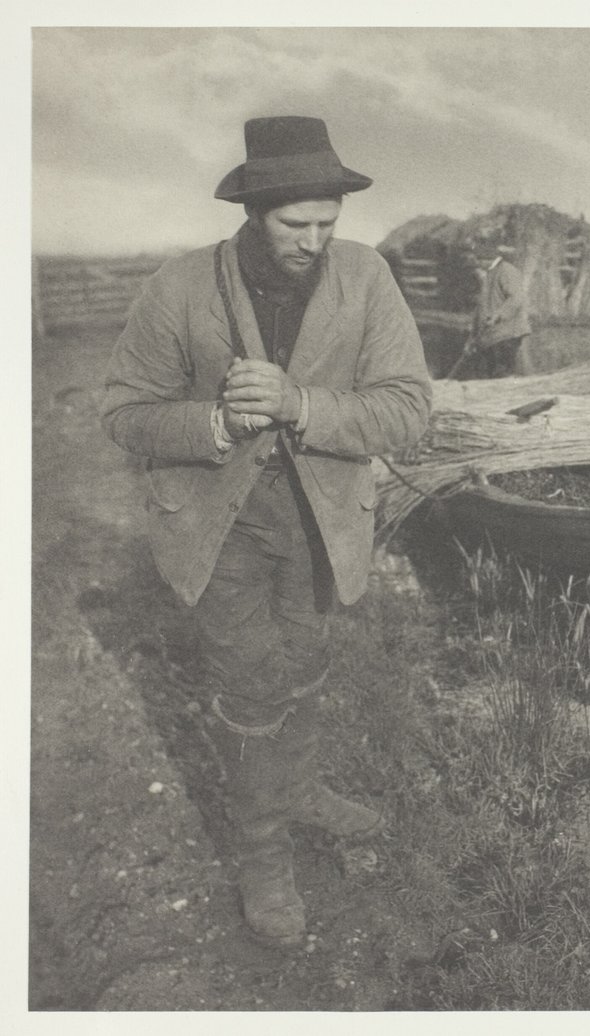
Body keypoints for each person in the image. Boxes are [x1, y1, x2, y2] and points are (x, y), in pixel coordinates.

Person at [101, 116, 432, 948]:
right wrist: (213, 423)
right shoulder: (180, 289)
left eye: (329, 222)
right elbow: (123, 412)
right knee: (251, 690)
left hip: (323, 521)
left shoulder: (367, 276)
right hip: (222, 524)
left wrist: (303, 406)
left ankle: (302, 789)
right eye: (295, 225)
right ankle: (262, 858)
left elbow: (408, 406)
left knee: (305, 662)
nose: (316, 242)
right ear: (254, 212)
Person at [465, 245, 532, 377]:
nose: (477, 264)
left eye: (478, 260)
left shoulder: (507, 271)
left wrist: (498, 315)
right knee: (490, 373)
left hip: (507, 332)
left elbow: (516, 298)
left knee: (502, 372)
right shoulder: (488, 274)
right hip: (491, 335)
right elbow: (482, 307)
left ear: (487, 259)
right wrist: (472, 337)